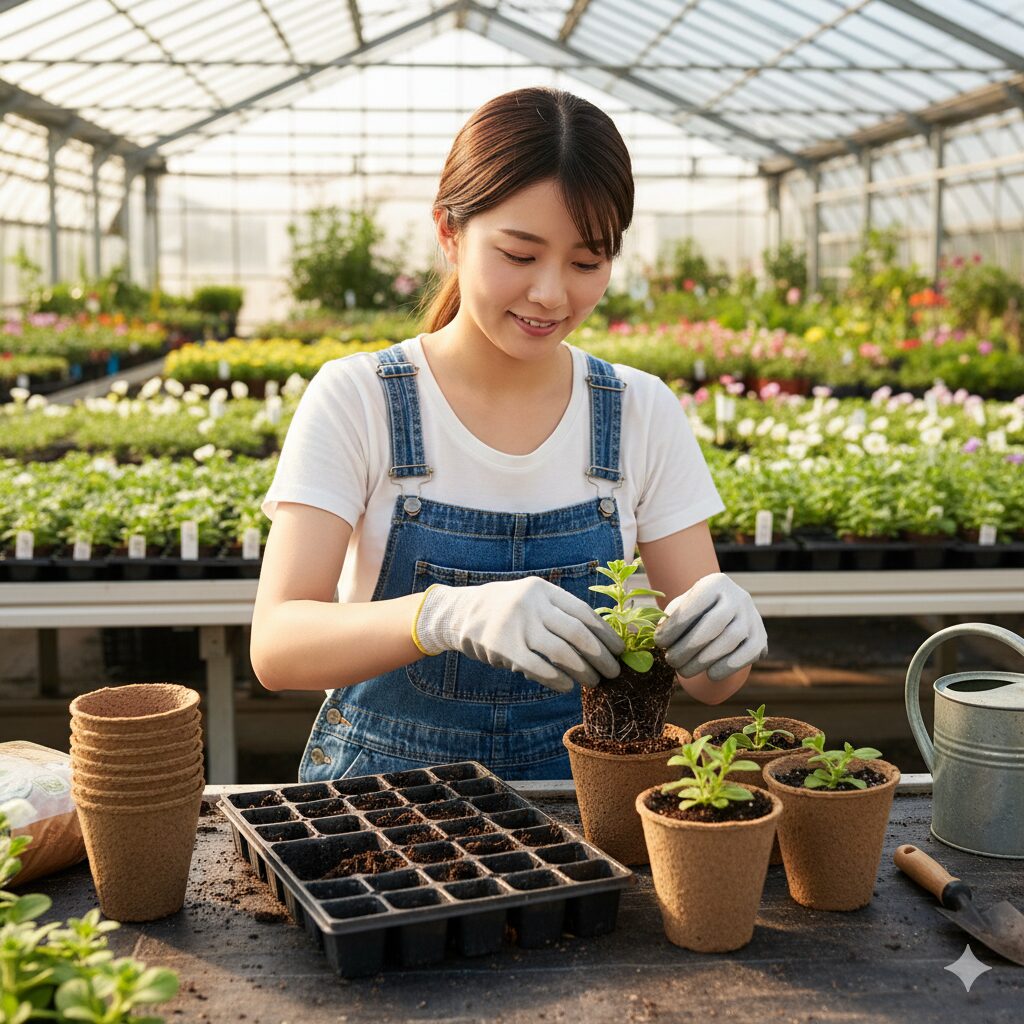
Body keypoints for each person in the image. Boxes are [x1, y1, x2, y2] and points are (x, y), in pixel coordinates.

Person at [250, 86, 767, 783]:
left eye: (587, 263)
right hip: (382, 801)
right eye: (520, 255)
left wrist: (725, 634)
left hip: (581, 800)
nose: (551, 294)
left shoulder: (639, 411)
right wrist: (443, 616)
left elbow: (709, 683)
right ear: (449, 232)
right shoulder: (361, 399)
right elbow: (278, 645)